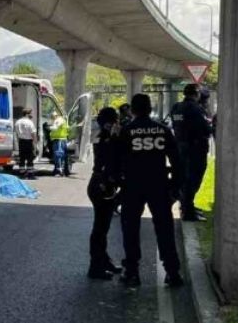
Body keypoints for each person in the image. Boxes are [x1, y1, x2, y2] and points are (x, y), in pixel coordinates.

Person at [117, 94, 183, 288]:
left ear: (133, 110)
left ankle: (132, 271)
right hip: (159, 185)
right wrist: (174, 187)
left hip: (133, 186)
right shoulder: (163, 130)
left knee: (130, 228)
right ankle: (172, 272)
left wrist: (117, 184)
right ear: (150, 108)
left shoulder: (127, 131)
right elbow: (177, 162)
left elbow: (117, 161)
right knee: (164, 228)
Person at [86, 107, 123, 280]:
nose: (118, 123)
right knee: (100, 229)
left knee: (103, 228)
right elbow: (112, 161)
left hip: (100, 184)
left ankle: (104, 260)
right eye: (116, 120)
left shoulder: (103, 136)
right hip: (102, 185)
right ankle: (95, 266)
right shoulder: (107, 139)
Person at [170, 84, 213, 222]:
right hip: (195, 149)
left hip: (180, 148)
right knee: (193, 180)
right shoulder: (195, 108)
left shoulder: (176, 107)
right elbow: (205, 129)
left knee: (184, 179)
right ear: (197, 94)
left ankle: (187, 207)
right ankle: (188, 211)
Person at [14, 108, 37, 179]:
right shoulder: (29, 122)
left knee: (22, 158)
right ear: (27, 114)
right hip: (29, 141)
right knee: (30, 158)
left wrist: (18, 142)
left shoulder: (17, 122)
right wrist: (35, 143)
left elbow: (17, 134)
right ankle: (30, 174)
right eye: (30, 113)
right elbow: (33, 133)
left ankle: (22, 174)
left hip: (21, 141)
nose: (31, 115)